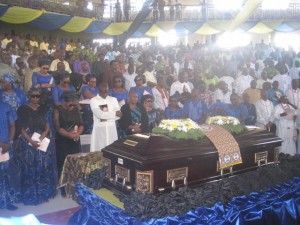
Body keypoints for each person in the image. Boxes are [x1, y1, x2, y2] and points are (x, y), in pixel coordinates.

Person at [14, 87, 56, 205]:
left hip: (41, 140)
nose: (36, 98)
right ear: (29, 96)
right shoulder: (22, 109)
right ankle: (31, 194)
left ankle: (44, 193)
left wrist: (41, 138)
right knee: (29, 167)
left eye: (38, 96)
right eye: (33, 96)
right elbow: (21, 128)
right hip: (27, 141)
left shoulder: (44, 109)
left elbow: (47, 126)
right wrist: (30, 141)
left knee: (43, 166)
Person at [54, 91, 84, 185]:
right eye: (71, 105)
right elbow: (58, 128)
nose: (72, 107)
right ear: (66, 102)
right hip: (63, 140)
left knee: (75, 162)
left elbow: (81, 124)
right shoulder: (57, 111)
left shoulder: (76, 109)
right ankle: (64, 186)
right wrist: (69, 135)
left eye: (74, 105)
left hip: (75, 139)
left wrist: (78, 133)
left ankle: (75, 184)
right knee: (63, 163)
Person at [90, 83, 122, 152]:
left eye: (106, 91)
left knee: (112, 152)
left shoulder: (113, 99)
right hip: (99, 130)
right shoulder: (93, 100)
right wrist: (114, 114)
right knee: (99, 152)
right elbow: (99, 115)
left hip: (111, 130)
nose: (104, 93)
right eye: (102, 91)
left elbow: (118, 115)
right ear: (99, 91)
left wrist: (109, 115)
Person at [0, 99, 18, 210]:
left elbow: (12, 125)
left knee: (6, 174)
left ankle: (7, 201)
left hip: (6, 144)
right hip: (3, 144)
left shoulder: (6, 106)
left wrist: (10, 141)